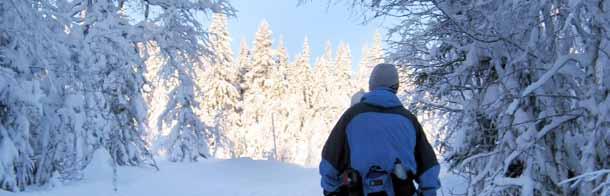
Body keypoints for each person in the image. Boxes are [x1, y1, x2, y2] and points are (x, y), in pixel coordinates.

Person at [319, 64, 440, 196]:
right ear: (396, 87)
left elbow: (330, 160)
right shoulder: (409, 120)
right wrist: (428, 191)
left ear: (371, 86)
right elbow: (428, 166)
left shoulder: (351, 116)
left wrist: (330, 190)